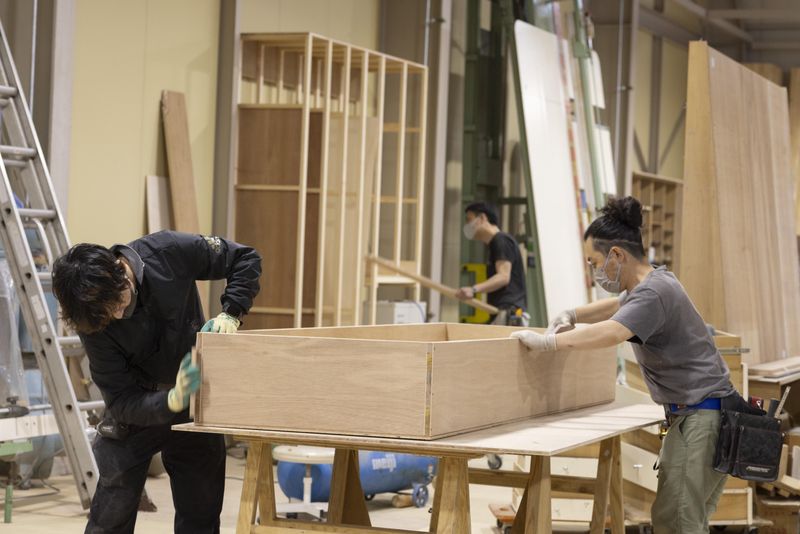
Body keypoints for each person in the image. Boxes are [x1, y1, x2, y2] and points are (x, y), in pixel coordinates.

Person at [511, 196, 735, 532]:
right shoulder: (654, 282)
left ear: (616, 255)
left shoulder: (653, 293)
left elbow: (614, 331)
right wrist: (571, 314)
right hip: (704, 414)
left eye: (594, 262)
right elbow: (616, 307)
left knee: (677, 522)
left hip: (701, 418)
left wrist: (549, 343)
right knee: (683, 520)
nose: (594, 272)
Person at [52, 230, 262, 534]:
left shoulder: (167, 252)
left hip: (194, 401)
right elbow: (120, 400)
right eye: (108, 316)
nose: (118, 314)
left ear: (121, 272)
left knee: (200, 513)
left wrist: (232, 313)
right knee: (110, 515)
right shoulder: (94, 321)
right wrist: (169, 400)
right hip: (138, 408)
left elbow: (245, 258)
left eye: (118, 302)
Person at [455, 202, 528, 326]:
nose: (467, 225)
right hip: (503, 313)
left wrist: (473, 289)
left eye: (469, 219)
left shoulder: (501, 240)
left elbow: (503, 277)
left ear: (482, 218)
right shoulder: (496, 243)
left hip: (509, 313)